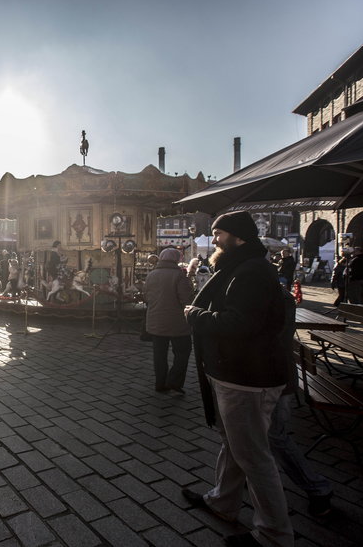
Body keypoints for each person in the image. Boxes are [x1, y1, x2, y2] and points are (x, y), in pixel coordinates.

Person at [182, 211, 293, 547]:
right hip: (236, 372)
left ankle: (274, 535)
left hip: (248, 376)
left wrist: (197, 314)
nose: (213, 240)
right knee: (234, 445)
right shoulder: (244, 267)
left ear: (237, 236)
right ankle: (223, 502)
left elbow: (239, 324)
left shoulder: (250, 272)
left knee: (254, 456)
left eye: (218, 234)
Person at [144, 248, 193, 393]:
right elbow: (186, 300)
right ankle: (174, 381)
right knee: (183, 352)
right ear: (176, 259)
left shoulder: (151, 275)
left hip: (156, 322)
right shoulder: (179, 276)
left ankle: (160, 384)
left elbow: (147, 297)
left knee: (159, 355)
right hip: (177, 323)